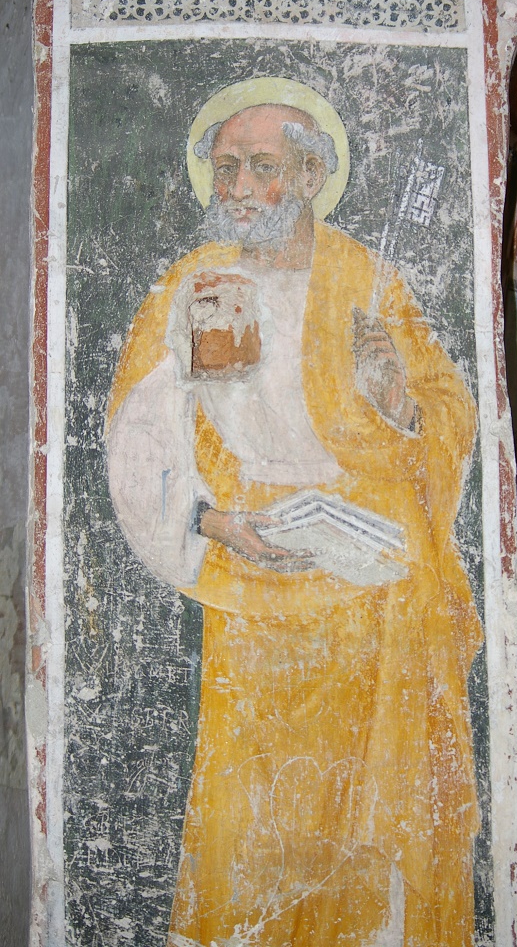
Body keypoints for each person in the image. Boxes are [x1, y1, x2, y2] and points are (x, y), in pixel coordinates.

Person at [106, 79, 482, 947]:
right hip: (252, 576)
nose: (237, 188)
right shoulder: (201, 286)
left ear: (311, 176)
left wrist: (398, 400)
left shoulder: (367, 280)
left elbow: (447, 412)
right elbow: (139, 434)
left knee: (371, 820)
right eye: (225, 167)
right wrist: (210, 522)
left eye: (261, 167)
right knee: (254, 824)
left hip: (373, 591)